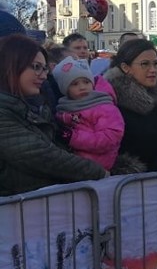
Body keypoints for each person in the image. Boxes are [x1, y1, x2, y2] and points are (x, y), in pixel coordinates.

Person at [0, 34, 107, 195]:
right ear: (11, 65)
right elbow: (39, 155)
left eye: (44, 68)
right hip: (18, 210)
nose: (43, 75)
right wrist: (99, 172)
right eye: (36, 67)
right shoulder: (5, 111)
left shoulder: (37, 106)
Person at [104, 38, 157, 171]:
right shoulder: (114, 105)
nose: (153, 70)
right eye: (145, 64)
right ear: (126, 67)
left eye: (155, 64)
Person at [53, 56, 124, 171]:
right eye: (75, 84)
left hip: (98, 165)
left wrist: (73, 138)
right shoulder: (64, 108)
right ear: (65, 89)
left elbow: (109, 138)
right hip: (75, 165)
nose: (82, 87)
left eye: (86, 82)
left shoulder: (104, 107)